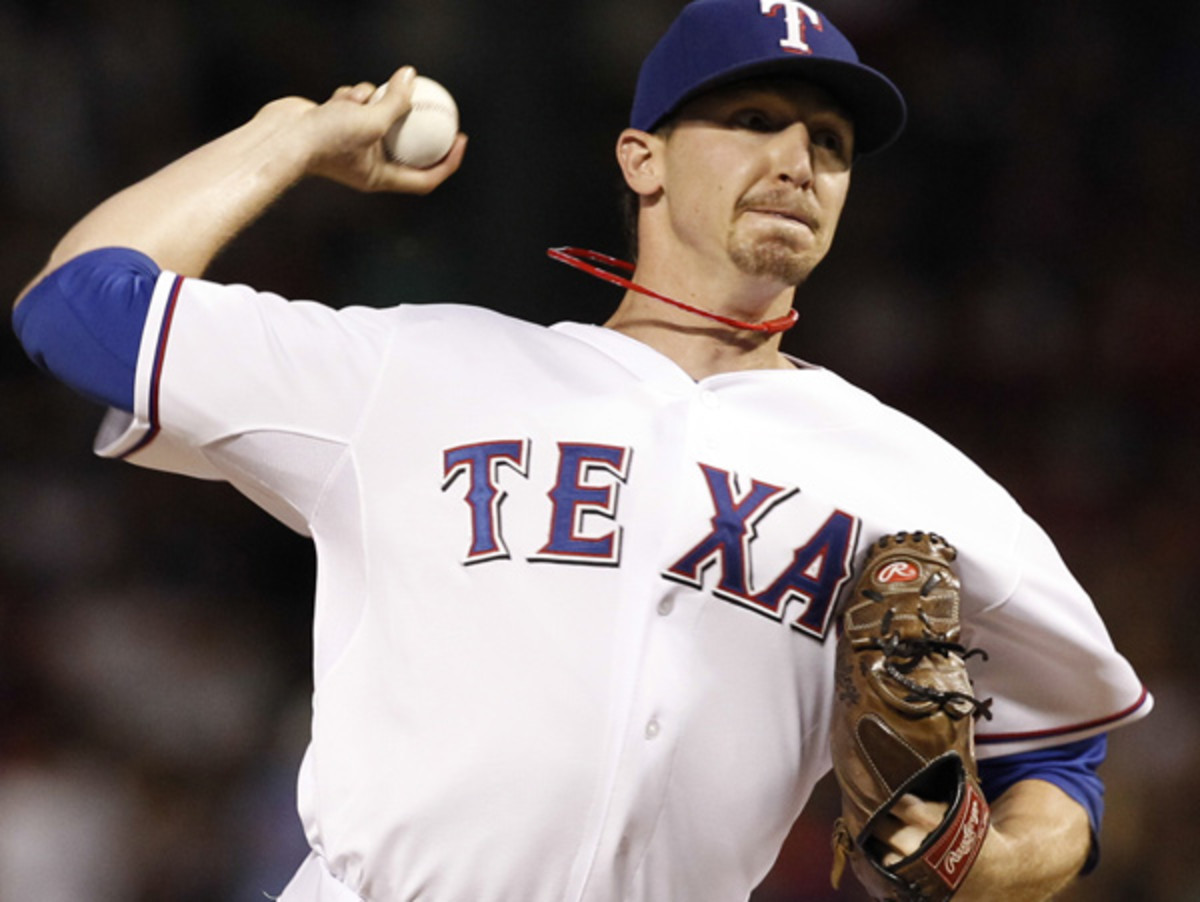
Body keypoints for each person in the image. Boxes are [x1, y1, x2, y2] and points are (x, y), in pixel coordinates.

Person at [12, 1, 1150, 900]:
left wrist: (990, 863)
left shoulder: (916, 479)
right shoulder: (421, 367)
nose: (799, 158)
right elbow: (78, 308)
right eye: (754, 119)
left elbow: (1064, 762)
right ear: (642, 160)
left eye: (832, 142)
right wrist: (287, 139)